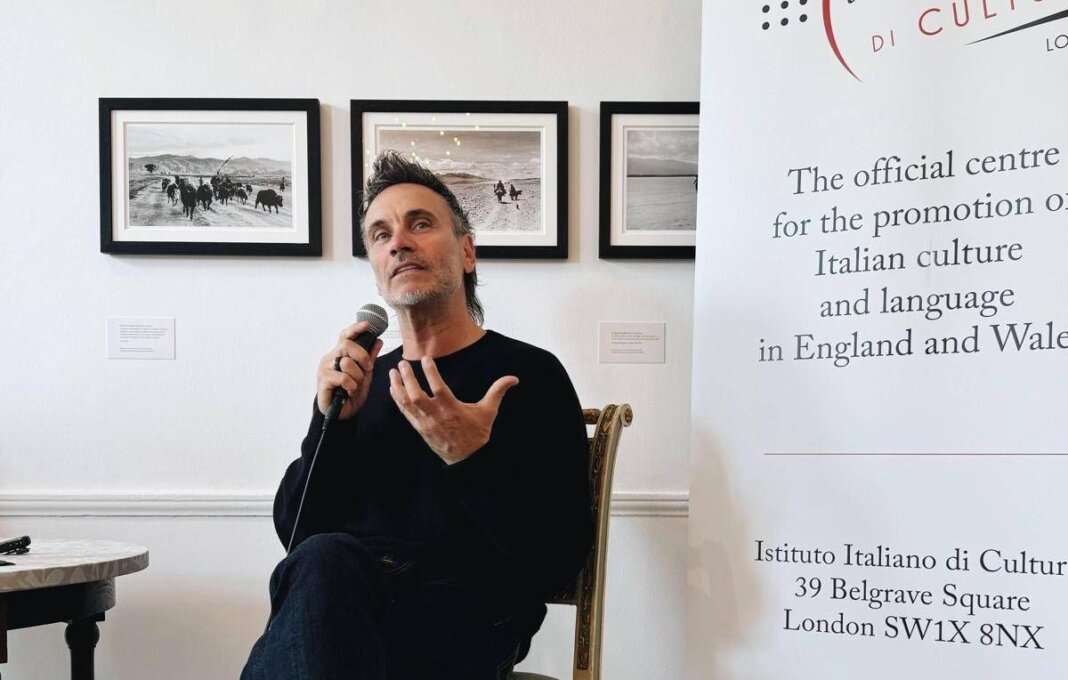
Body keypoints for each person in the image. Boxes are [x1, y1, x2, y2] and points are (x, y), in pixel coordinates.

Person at [240, 150, 592, 680]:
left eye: (420, 224)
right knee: (322, 562)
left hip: (468, 615)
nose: (398, 242)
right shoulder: (361, 383)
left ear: (467, 252)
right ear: (376, 272)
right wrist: (329, 424)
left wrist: (471, 458)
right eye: (380, 234)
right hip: (343, 601)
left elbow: (557, 559)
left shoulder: (527, 374)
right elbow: (296, 535)